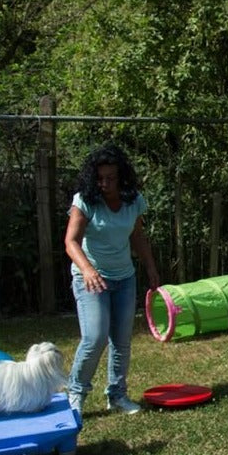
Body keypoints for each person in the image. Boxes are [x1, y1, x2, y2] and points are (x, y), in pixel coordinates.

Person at [65, 144, 160, 416]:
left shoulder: (133, 200)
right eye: (100, 178)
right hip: (91, 279)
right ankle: (76, 392)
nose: (105, 183)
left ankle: (117, 395)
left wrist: (150, 266)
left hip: (124, 278)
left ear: (122, 177)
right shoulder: (85, 201)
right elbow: (71, 242)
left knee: (121, 340)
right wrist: (87, 270)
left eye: (111, 178)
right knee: (95, 337)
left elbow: (137, 236)